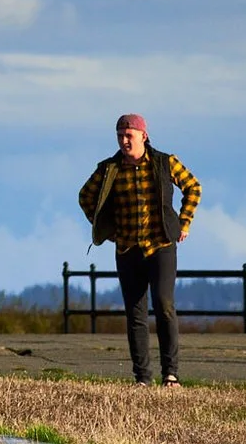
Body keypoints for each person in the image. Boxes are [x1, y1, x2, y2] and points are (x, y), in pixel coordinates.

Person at [78, 111, 200, 386]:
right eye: (120, 136)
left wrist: (184, 222)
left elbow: (193, 187)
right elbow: (85, 196)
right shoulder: (109, 168)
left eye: (129, 136)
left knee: (164, 304)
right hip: (127, 248)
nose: (124, 141)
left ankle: (171, 374)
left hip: (161, 244)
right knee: (135, 312)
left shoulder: (164, 162)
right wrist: (104, 227)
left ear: (143, 136)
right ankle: (142, 378)